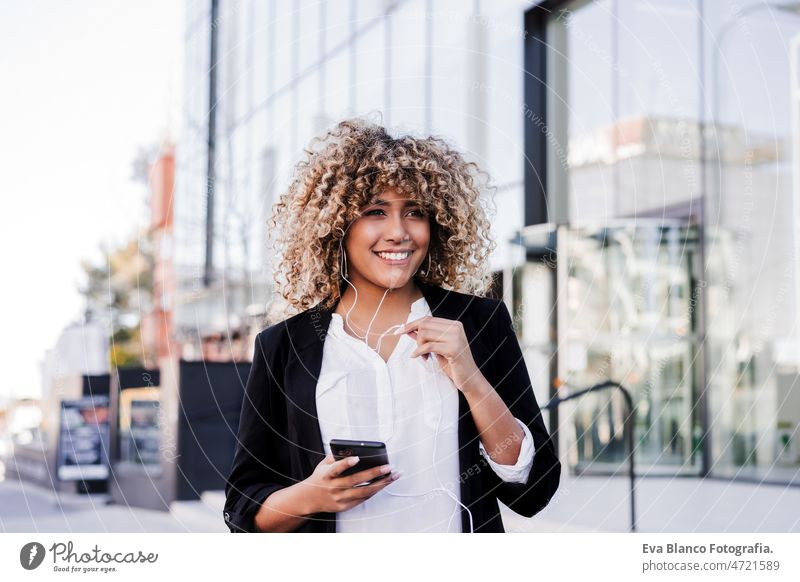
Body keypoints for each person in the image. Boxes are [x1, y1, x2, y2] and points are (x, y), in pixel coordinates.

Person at [223, 118, 560, 533]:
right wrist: (312, 495)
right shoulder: (284, 346)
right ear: (338, 227)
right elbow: (241, 506)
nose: (399, 232)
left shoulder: (479, 322)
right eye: (375, 212)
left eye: (415, 212)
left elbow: (535, 488)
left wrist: (472, 380)